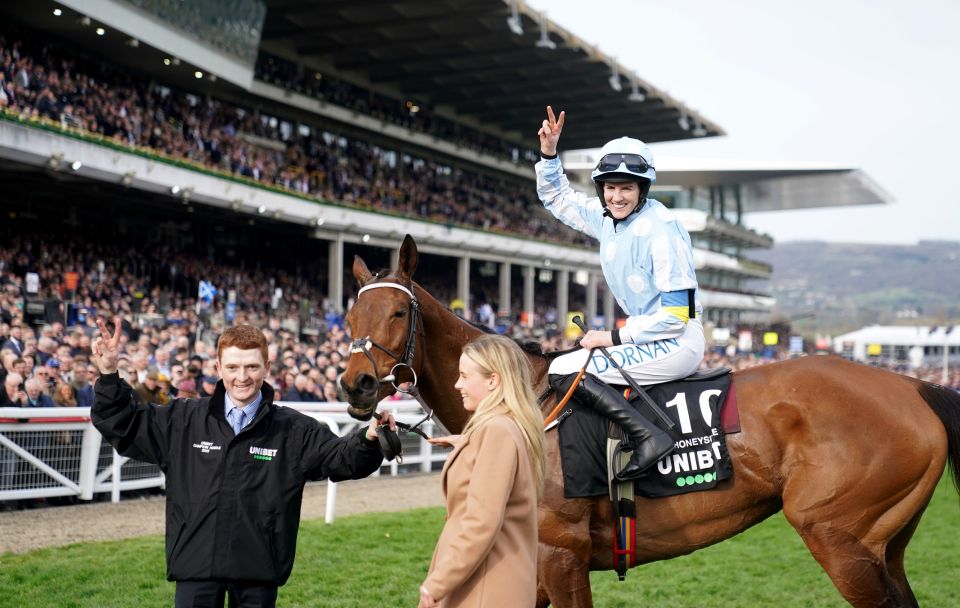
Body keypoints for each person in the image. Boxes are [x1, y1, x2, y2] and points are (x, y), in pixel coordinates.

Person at [91, 318, 395, 608]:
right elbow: (124, 425)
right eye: (233, 367)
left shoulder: (292, 429)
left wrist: (368, 438)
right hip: (195, 566)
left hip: (258, 568)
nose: (242, 377)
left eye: (251, 366)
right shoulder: (183, 420)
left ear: (267, 367)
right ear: (218, 367)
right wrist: (107, 375)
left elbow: (342, 459)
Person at [535, 106, 705, 480]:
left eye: (626, 188)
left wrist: (611, 337)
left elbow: (676, 317)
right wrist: (549, 154)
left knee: (565, 368)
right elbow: (558, 199)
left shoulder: (663, 231)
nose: (616, 196)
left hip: (678, 340)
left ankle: (649, 437)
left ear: (642, 189)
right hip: (649, 334)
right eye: (610, 188)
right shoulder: (608, 218)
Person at [418, 334, 545, 608]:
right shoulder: (506, 426)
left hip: (485, 588)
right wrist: (468, 444)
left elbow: (481, 522)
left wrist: (437, 584)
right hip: (491, 583)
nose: (457, 384)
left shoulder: (497, 431)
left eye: (464, 376)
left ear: (493, 380)